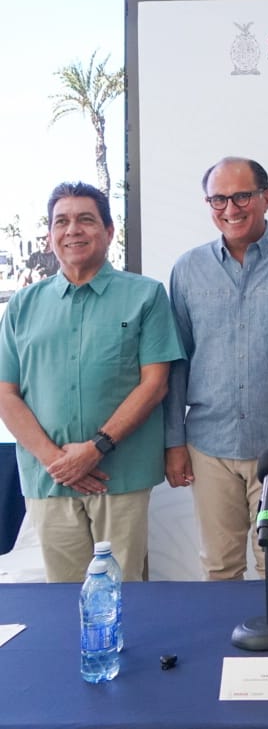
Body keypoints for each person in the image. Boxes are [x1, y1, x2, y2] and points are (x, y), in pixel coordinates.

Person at [0, 182, 183, 582]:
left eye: (85, 219)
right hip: (50, 479)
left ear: (109, 231)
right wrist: (59, 461)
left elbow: (155, 384)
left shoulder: (146, 296)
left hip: (121, 475)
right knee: (64, 596)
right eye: (61, 221)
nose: (73, 230)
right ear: (50, 235)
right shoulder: (22, 306)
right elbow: (6, 394)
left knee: (124, 591)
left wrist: (96, 448)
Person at [164, 157, 268, 580]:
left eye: (242, 197)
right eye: (218, 199)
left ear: (267, 198)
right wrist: (173, 441)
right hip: (209, 446)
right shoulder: (188, 270)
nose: (230, 208)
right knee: (220, 564)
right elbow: (177, 362)